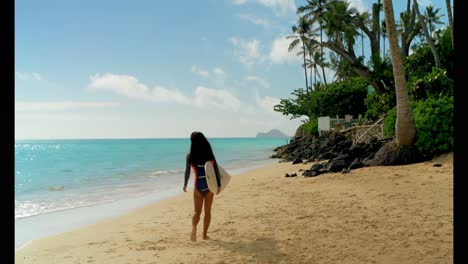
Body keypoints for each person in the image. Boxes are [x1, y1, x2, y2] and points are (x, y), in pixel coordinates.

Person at [183, 131, 221, 241]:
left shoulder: (190, 156)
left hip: (197, 187)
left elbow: (187, 171)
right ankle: (204, 234)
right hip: (210, 187)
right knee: (207, 212)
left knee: (197, 212)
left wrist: (185, 184)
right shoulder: (209, 154)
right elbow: (216, 169)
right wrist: (218, 185)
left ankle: (194, 228)